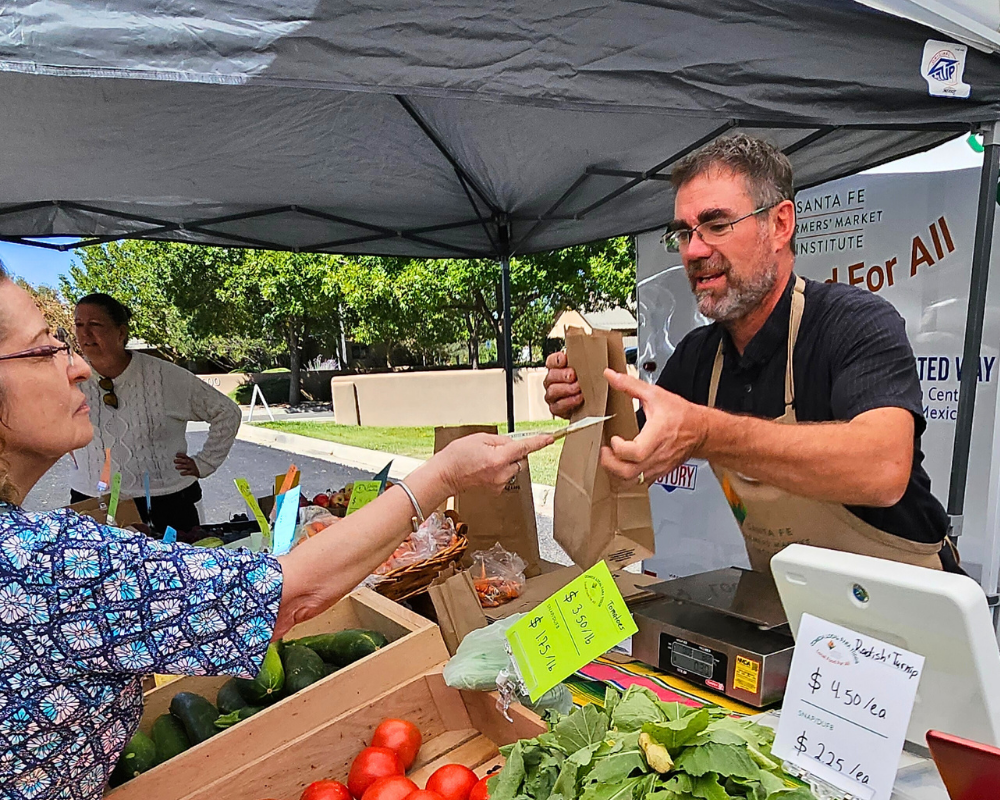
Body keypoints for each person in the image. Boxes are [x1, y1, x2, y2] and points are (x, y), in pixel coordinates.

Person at [0, 267, 551, 799]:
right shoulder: (43, 561)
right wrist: (444, 475)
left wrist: (202, 463)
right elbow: (287, 596)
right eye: (45, 347)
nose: (75, 364)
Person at [544, 133, 956, 572]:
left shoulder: (853, 323)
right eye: (684, 233)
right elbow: (632, 458)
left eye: (717, 225)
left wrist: (707, 432)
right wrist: (587, 399)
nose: (695, 251)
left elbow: (883, 469)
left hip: (906, 610)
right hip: (785, 608)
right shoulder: (698, 358)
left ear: (780, 225)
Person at [71, 293, 242, 533]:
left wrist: (204, 463)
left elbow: (227, 412)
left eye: (95, 325)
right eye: (79, 325)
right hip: (92, 501)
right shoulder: (69, 379)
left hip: (167, 502)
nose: (85, 334)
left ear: (121, 332)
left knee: (175, 570)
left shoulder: (164, 377)